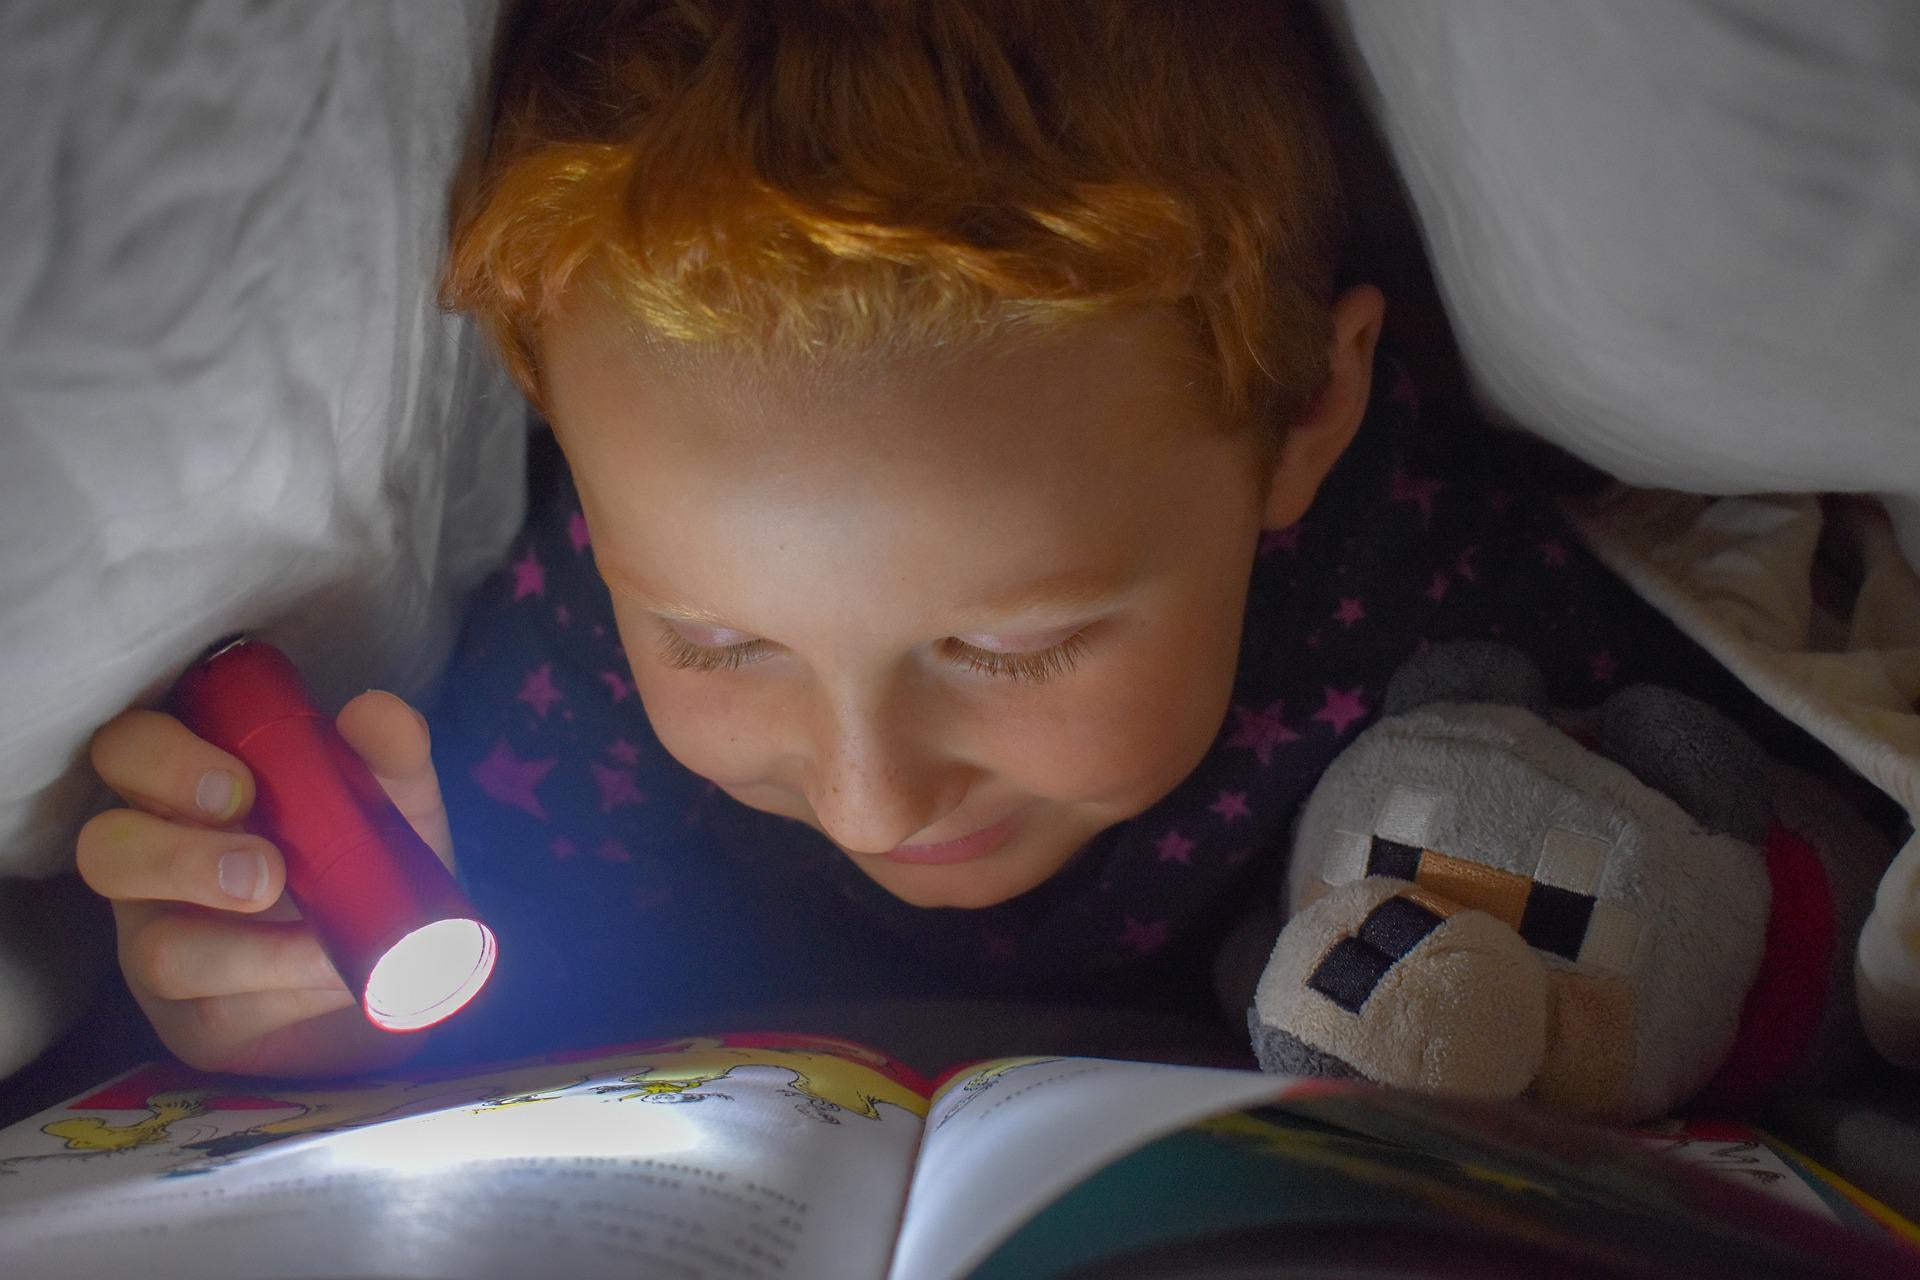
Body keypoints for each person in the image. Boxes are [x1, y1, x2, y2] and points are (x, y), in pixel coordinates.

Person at [75, 0, 1804, 1078]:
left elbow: (1741, 866)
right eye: (718, 643)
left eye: (1010, 647)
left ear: (1305, 418)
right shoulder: (556, 679)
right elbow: (488, 1000)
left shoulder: (1443, 589)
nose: (870, 798)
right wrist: (298, 1007)